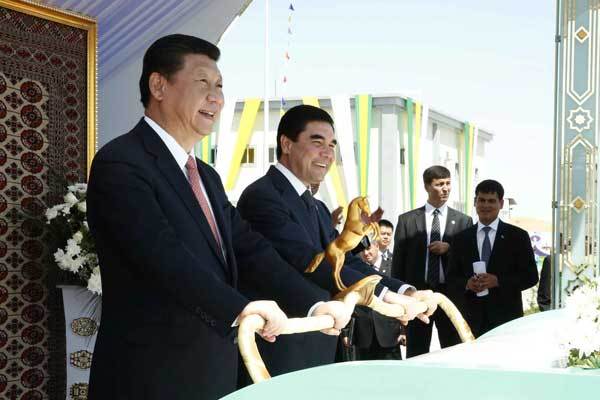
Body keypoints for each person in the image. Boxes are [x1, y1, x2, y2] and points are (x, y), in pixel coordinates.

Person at [86, 35, 349, 400]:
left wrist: (314, 302)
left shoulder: (205, 175)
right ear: (159, 85)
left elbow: (251, 249)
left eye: (220, 86)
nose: (217, 98)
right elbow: (161, 256)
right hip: (149, 375)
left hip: (213, 371)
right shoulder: (122, 163)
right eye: (203, 84)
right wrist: (239, 307)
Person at [236, 104, 435, 379]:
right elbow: (309, 261)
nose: (328, 154)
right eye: (317, 142)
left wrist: (404, 291)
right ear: (286, 143)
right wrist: (383, 296)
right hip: (279, 348)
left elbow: (346, 259)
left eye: (332, 145)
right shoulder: (263, 196)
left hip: (320, 341)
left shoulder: (316, 206)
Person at [392, 165, 473, 357]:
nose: (445, 189)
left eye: (448, 183)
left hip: (450, 296)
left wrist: (450, 249)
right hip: (418, 294)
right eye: (439, 184)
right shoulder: (408, 220)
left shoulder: (463, 221)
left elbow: (469, 259)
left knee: (452, 351)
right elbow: (399, 263)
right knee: (417, 351)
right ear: (427, 186)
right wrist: (400, 298)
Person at [447, 179, 539, 337]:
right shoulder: (461, 238)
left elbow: (530, 277)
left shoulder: (517, 236)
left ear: (501, 203)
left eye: (491, 201)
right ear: (475, 202)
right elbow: (451, 278)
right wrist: (467, 284)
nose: (486, 205)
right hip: (470, 320)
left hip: (506, 320)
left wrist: (498, 281)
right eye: (481, 200)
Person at [353, 243, 403, 360]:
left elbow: (400, 299)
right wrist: (346, 333)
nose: (365, 253)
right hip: (363, 336)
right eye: (362, 250)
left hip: (389, 335)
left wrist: (405, 331)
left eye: (368, 248)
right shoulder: (352, 269)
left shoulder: (393, 266)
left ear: (376, 245)